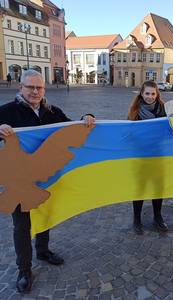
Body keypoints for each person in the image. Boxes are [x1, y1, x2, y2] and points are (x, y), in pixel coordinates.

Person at [0, 70, 95, 293]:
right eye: (30, 87)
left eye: (39, 88)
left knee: (46, 215)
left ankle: (43, 250)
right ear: (20, 88)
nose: (35, 92)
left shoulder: (51, 111)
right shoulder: (6, 111)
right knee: (21, 226)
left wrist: (86, 118)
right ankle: (24, 269)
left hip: (43, 178)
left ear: (44, 89)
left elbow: (72, 128)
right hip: (17, 182)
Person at [128, 80, 173, 235]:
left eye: (153, 93)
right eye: (147, 93)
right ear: (141, 94)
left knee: (158, 188)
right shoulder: (134, 111)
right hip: (140, 156)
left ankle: (157, 217)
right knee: (139, 189)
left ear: (157, 94)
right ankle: (136, 220)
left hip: (159, 154)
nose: (150, 97)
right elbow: (129, 134)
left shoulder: (166, 109)